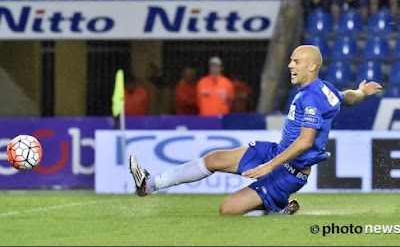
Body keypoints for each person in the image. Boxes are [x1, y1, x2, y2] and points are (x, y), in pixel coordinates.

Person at [129, 45, 382, 216]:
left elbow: (305, 142)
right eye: (291, 60)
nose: (290, 65)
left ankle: (279, 208)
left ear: (312, 67)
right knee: (215, 158)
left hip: (288, 172)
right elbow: (346, 97)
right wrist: (362, 92)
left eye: (297, 61)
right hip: (276, 153)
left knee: (226, 210)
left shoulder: (313, 98)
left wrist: (269, 167)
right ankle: (148, 184)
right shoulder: (324, 89)